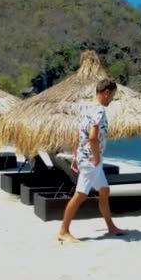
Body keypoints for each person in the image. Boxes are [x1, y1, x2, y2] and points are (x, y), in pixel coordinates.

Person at [58, 78, 125, 242]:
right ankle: (63, 230)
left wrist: (76, 156)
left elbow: (80, 135)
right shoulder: (99, 111)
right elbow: (93, 138)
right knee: (80, 195)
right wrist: (96, 159)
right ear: (106, 93)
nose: (112, 99)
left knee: (104, 191)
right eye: (112, 96)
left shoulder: (86, 109)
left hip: (86, 158)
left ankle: (111, 227)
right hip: (91, 160)